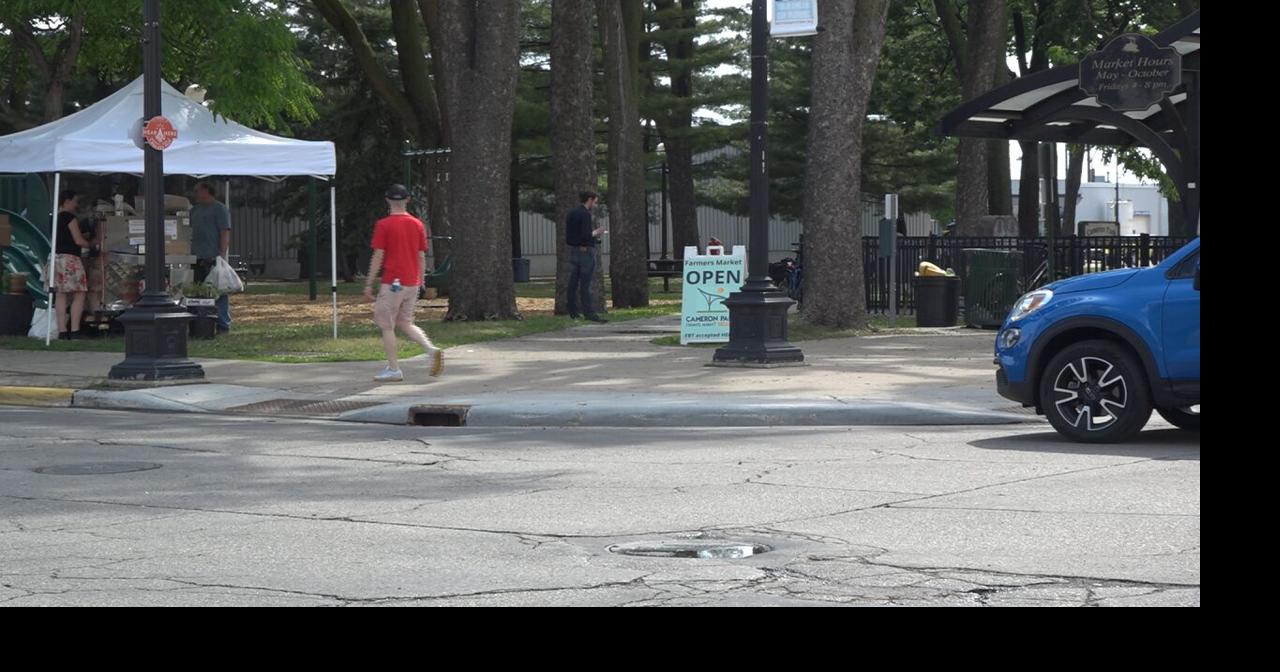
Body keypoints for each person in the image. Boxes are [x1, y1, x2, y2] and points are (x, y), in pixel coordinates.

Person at [364, 184, 443, 383]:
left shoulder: (383, 225)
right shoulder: (417, 224)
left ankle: (393, 368)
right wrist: (421, 279)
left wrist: (369, 282)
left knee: (386, 324)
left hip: (393, 282)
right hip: (412, 282)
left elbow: (378, 255)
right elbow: (421, 255)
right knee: (405, 322)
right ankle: (431, 350)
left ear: (387, 200)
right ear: (407, 200)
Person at [190, 181, 232, 333]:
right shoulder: (194, 210)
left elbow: (225, 232)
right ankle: (201, 321)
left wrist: (221, 253)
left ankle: (222, 324)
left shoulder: (219, 209)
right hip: (196, 256)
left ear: (206, 190)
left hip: (212, 256)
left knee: (218, 291)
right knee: (198, 291)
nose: (195, 194)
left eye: (197, 190)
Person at [50, 190, 91, 339]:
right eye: (75, 201)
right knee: (79, 293)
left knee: (60, 294)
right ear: (67, 201)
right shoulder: (69, 217)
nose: (76, 204)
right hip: (70, 259)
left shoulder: (54, 217)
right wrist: (91, 244)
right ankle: (75, 330)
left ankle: (62, 331)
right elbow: (78, 240)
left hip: (56, 258)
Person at [565, 190, 607, 322]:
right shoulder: (585, 214)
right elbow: (586, 235)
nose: (596, 203)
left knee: (573, 283)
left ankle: (573, 311)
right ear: (589, 199)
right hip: (585, 252)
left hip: (574, 250)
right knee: (585, 284)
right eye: (595, 200)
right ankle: (589, 313)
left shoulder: (572, 213)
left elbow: (571, 235)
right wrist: (596, 232)